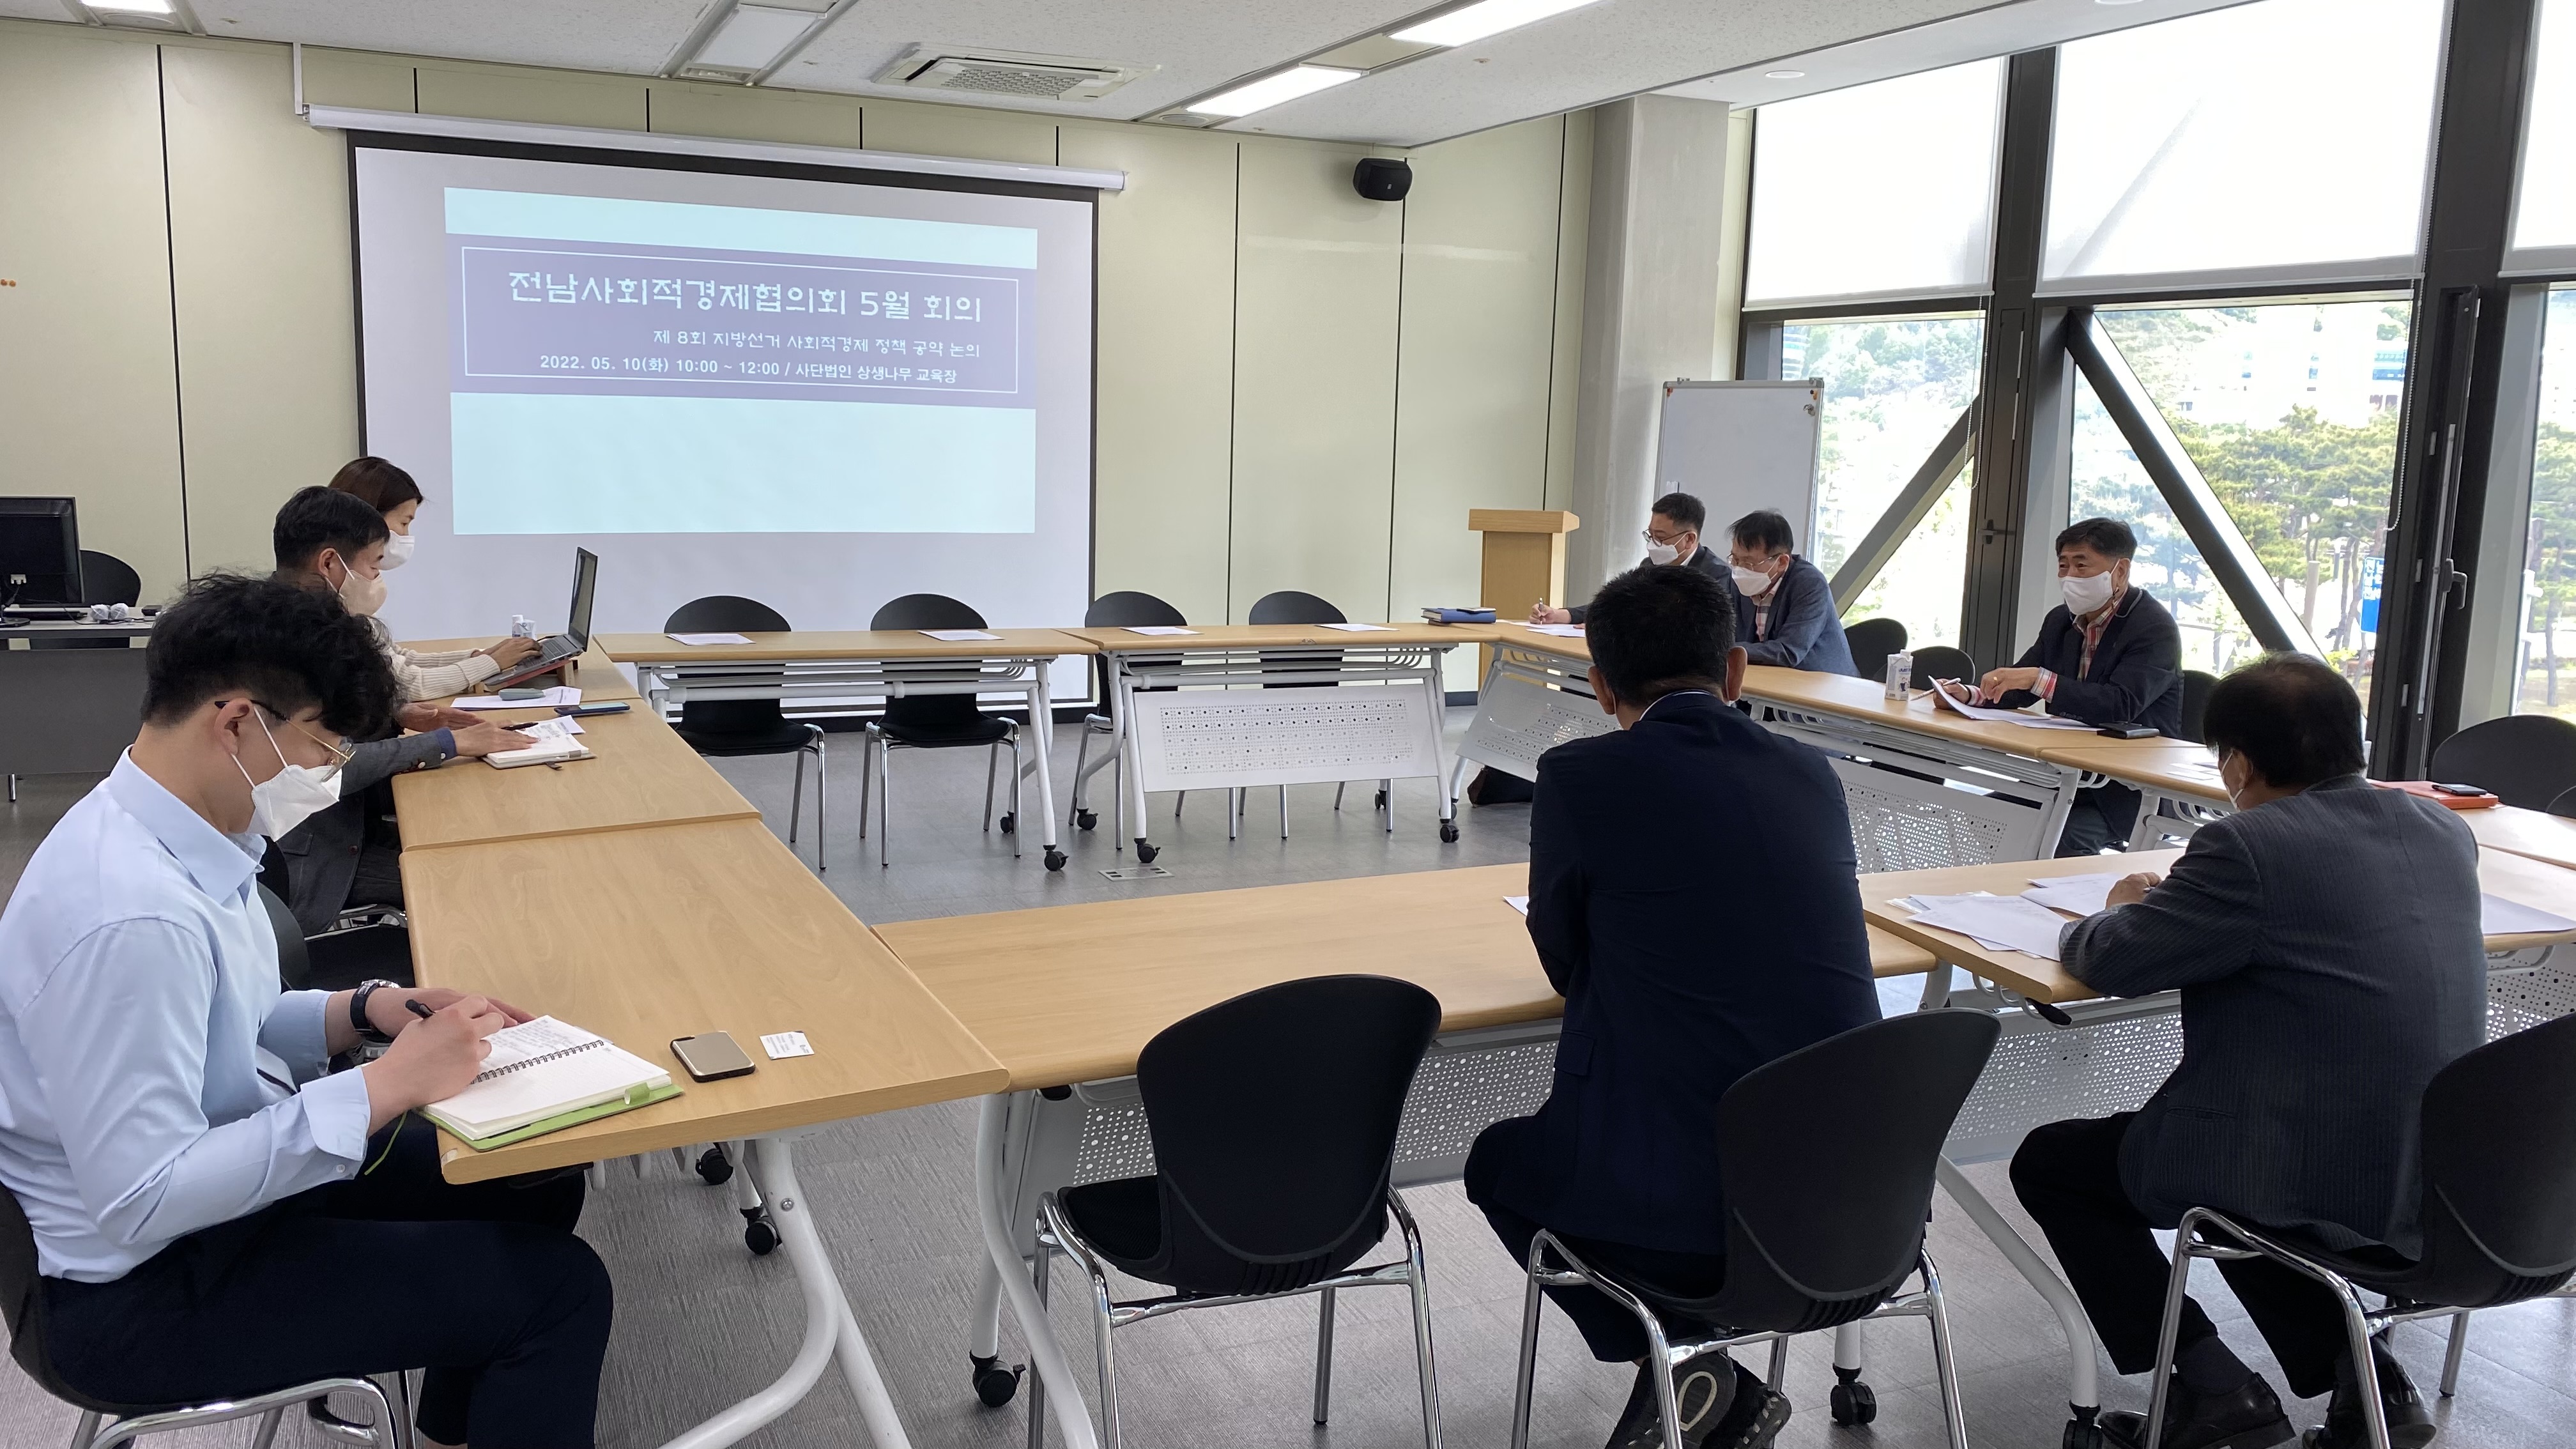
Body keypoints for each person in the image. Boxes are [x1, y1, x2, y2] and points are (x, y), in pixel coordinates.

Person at [0, 572, 611, 1446]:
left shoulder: (180, 828)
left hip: (209, 1206)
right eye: (324, 744)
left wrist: (370, 1010)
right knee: (562, 1292)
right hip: (141, 1292)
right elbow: (141, 1198)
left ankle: (461, 1422)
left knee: (528, 1174)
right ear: (237, 723)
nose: (329, 770)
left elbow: (232, 1020)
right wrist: (383, 1088)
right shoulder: (128, 917)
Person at [2009, 655, 2483, 1449]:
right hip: (2432, 1171)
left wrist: (2112, 908)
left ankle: (2213, 1387)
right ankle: (2369, 1382)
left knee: (2058, 1165)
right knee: (2250, 1170)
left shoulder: (2248, 845)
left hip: (2307, 1164)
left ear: (2238, 763)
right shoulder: (2442, 829)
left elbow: (2115, 961)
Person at [1469, 564, 1882, 1449]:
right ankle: (1696, 1375)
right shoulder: (1811, 772)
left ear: (1600, 686)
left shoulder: (1580, 775)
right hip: (1858, 1213)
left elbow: (1563, 960)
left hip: (1690, 1228)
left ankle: (1690, 1363)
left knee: (1498, 1165)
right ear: (1734, 669)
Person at [269, 487, 525, 933]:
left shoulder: (297, 621)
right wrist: (448, 742)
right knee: (480, 880)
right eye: (373, 564)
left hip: (346, 827)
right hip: (319, 859)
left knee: (482, 841)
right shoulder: (294, 641)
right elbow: (325, 766)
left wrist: (399, 716)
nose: (377, 577)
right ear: (330, 564)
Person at [1956, 518, 2181, 854]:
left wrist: (2039, 679)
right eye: (2063, 565)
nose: (2070, 576)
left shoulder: (2153, 627)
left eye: (2081, 565)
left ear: (2120, 571)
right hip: (2064, 774)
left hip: (2123, 791)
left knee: (2057, 837)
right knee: (1985, 818)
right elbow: (2020, 684)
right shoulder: (2060, 620)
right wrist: (1969, 696)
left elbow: (2120, 704)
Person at [321, 458, 540, 698]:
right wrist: (492, 662)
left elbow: (397, 659)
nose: (406, 535)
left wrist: (481, 657)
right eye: (404, 523)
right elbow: (406, 684)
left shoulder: (347, 591)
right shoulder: (324, 616)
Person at [1530, 492, 1725, 625]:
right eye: (1650, 535)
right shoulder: (1650, 566)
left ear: (1689, 539)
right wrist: (1561, 615)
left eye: (1661, 537)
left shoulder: (1717, 577)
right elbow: (1618, 604)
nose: (1653, 544)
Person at [1722, 509, 1855, 675]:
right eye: (1735, 559)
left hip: (1822, 682)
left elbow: (1789, 651)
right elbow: (1727, 634)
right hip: (1765, 677)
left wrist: (1724, 650)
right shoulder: (1737, 580)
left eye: (1748, 563)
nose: (1739, 569)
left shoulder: (1810, 584)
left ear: (1782, 562)